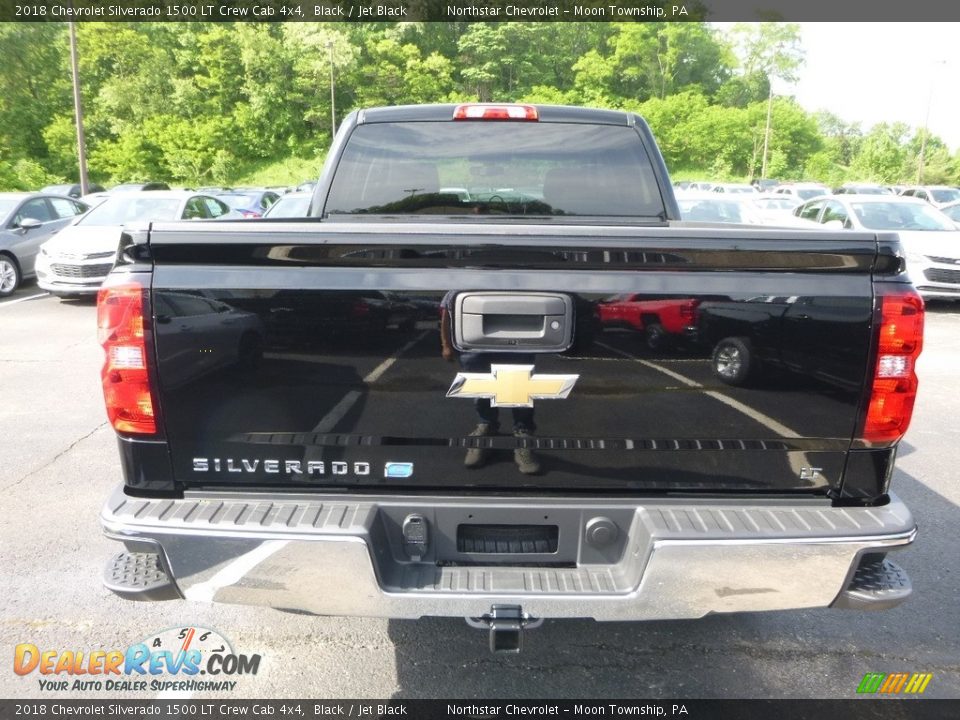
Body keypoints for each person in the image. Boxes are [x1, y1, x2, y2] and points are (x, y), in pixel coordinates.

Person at [440, 292, 541, 475]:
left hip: (516, 347)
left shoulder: (519, 283)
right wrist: (446, 344)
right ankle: (486, 429)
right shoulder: (463, 282)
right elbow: (447, 313)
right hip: (474, 350)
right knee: (482, 394)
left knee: (519, 393)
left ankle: (523, 438)